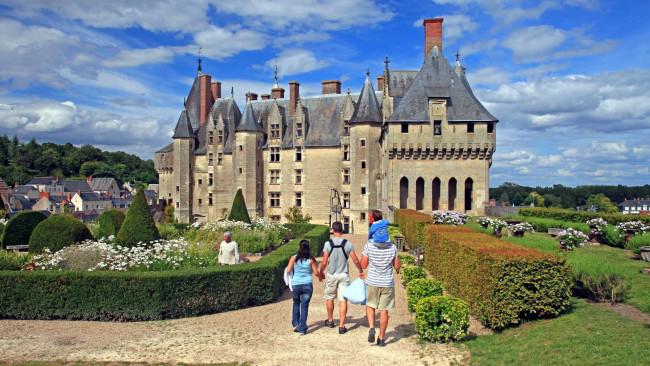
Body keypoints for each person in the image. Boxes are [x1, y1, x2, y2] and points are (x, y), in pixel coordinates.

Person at [361, 212, 401, 346]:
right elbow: (397, 266)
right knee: (384, 310)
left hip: (372, 281)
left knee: (370, 305)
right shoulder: (392, 247)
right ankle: (382, 338)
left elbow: (363, 265)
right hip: (387, 282)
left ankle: (372, 327)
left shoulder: (369, 245)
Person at [319, 221, 364, 334]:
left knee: (330, 297)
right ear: (342, 231)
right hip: (344, 274)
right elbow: (355, 260)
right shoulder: (348, 244)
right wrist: (360, 270)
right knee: (343, 300)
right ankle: (342, 326)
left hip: (332, 274)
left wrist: (321, 272)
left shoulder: (328, 244)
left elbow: (324, 262)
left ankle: (330, 321)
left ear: (332, 230)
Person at [286, 240, 323, 335]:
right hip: (307, 284)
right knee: (304, 306)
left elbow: (288, 270)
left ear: (299, 247)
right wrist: (320, 277)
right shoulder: (311, 260)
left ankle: (295, 325)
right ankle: (302, 328)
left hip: (296, 283)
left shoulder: (294, 258)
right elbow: (315, 272)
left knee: (296, 303)